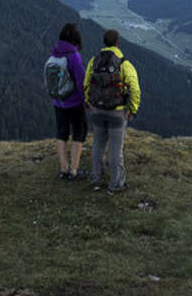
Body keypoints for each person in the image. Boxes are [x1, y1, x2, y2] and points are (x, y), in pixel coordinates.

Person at [83, 29, 140, 194]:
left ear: (104, 42)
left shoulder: (94, 61)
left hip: (97, 110)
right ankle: (115, 185)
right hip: (117, 112)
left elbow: (86, 83)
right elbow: (135, 89)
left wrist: (89, 103)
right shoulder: (123, 64)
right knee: (116, 148)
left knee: (98, 145)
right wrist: (133, 110)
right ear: (118, 42)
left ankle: (96, 180)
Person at [48, 23, 88, 180]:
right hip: (74, 102)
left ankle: (63, 169)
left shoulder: (54, 54)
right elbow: (81, 81)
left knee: (61, 133)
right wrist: (85, 100)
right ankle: (74, 171)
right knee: (78, 133)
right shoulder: (73, 56)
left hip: (58, 101)